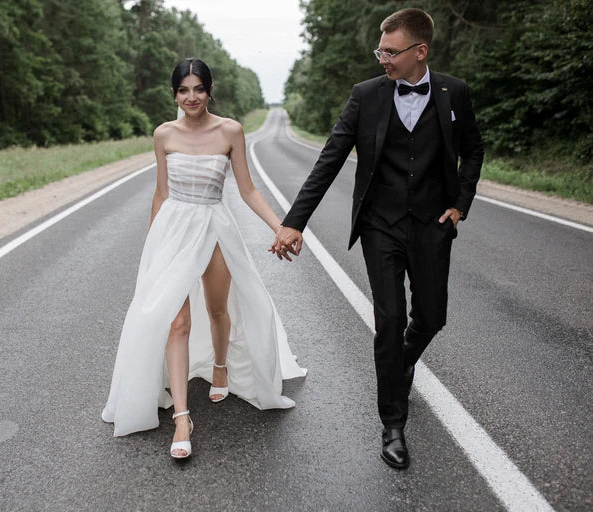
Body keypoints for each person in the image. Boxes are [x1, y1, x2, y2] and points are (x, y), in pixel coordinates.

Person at [271, 8, 484, 469]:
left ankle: (398, 365)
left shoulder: (454, 93)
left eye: (390, 51)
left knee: (432, 316)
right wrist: (294, 221)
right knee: (389, 319)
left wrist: (460, 204)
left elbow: (474, 149)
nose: (382, 58)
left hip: (433, 224)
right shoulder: (365, 96)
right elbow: (329, 159)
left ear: (420, 51)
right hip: (380, 225)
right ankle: (393, 424)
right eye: (379, 50)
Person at [102, 58, 306, 459]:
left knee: (216, 309)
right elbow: (161, 193)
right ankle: (182, 417)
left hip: (214, 226)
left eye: (198, 89)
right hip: (173, 230)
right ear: (174, 94)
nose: (191, 97)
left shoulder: (230, 130)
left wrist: (280, 227)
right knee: (175, 321)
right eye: (183, 90)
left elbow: (247, 191)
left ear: (210, 91)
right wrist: (152, 246)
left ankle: (220, 366)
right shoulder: (164, 134)